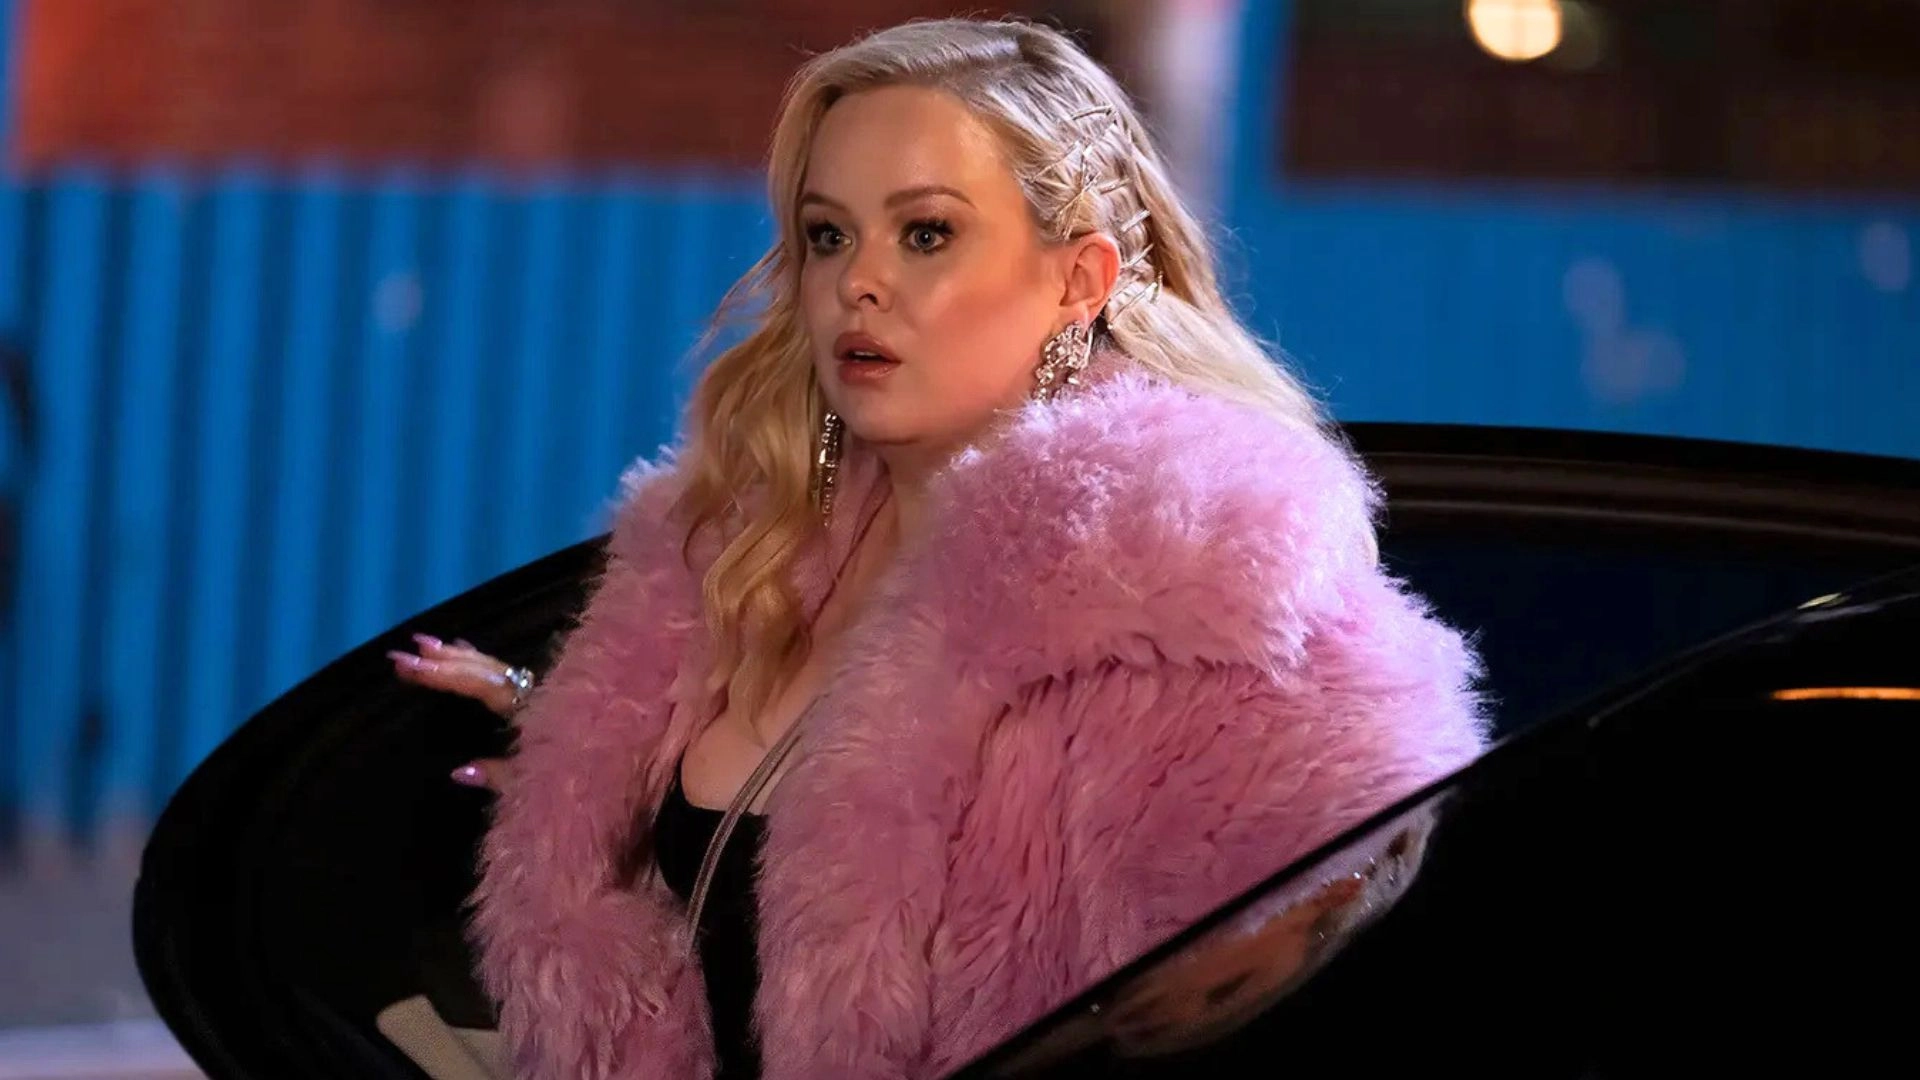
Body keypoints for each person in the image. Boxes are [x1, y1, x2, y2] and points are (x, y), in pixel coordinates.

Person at [390, 17, 1485, 1080]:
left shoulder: (1193, 596)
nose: (857, 282)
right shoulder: (737, 556)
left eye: (926, 234)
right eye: (829, 235)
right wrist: (588, 756)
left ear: (1080, 280)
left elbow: (1335, 917)